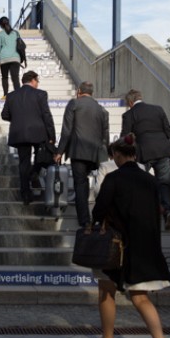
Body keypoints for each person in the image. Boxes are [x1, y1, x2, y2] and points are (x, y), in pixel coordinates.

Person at [87, 132, 170, 338]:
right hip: (144, 247)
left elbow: (99, 210)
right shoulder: (150, 180)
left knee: (106, 290)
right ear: (135, 155)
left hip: (116, 247)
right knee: (140, 297)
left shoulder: (114, 178)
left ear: (116, 154)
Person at [120, 88, 170, 231]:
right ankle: (168, 212)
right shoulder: (158, 109)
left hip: (143, 152)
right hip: (163, 150)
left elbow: (125, 138)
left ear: (130, 101)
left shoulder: (129, 114)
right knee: (164, 183)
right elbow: (168, 129)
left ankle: (142, 215)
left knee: (140, 184)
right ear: (141, 97)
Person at [54, 81, 109, 228]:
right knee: (94, 183)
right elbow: (105, 135)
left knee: (80, 184)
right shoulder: (101, 109)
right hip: (95, 153)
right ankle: (98, 218)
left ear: (79, 91)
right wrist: (106, 155)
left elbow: (66, 131)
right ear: (92, 93)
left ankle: (84, 220)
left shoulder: (74, 104)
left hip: (78, 151)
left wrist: (59, 152)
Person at [1, 70, 55, 205]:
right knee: (40, 157)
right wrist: (51, 135)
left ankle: (25, 194)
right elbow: (46, 115)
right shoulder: (41, 94)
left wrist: (18, 119)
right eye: (37, 81)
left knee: (23, 163)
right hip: (38, 132)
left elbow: (4, 115)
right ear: (33, 80)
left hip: (19, 133)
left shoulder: (11, 95)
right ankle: (33, 173)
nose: (38, 84)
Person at [0, 16, 23, 98]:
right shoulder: (16, 33)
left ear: (0, 25)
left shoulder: (0, 35)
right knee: (15, 78)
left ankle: (5, 95)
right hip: (15, 58)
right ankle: (18, 95)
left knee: (5, 77)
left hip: (4, 59)